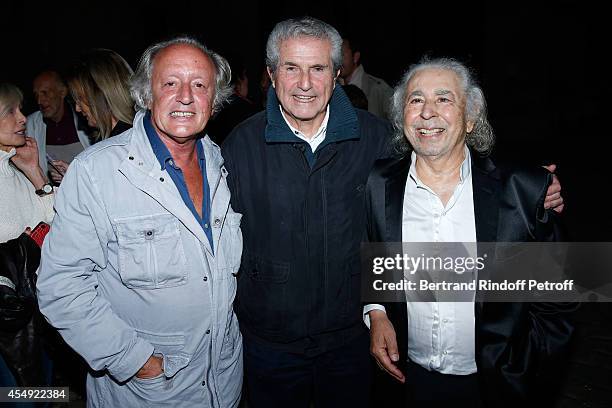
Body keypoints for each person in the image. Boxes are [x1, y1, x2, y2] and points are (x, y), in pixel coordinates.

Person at [36, 37, 243, 407]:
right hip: (148, 391)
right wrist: (135, 362)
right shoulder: (97, 172)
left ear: (215, 100)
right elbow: (61, 287)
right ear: (146, 94)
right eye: (170, 83)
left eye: (199, 84)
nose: (185, 96)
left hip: (223, 383)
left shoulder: (220, 162)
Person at [364, 57, 574, 408]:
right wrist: (378, 311)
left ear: (471, 117)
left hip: (496, 385)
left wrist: (530, 371)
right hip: (408, 380)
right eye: (416, 100)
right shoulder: (379, 184)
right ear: (402, 119)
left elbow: (558, 301)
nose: (428, 112)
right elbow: (375, 253)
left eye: (444, 99)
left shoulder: (522, 189)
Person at [0, 82, 55, 406]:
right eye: (11, 112)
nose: (23, 118)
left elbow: (55, 229)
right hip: (7, 323)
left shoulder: (16, 169)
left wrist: (36, 173)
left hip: (36, 314)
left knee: (44, 395)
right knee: (21, 400)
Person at [48, 49, 135, 184]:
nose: (77, 108)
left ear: (101, 95)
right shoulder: (134, 136)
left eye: (80, 99)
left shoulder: (118, 148)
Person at [26, 70, 90, 177]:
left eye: (45, 93)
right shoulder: (30, 124)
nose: (39, 101)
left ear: (63, 92)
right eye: (36, 95)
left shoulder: (85, 119)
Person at [340, 36, 393, 119]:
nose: (338, 61)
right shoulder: (334, 87)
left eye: (342, 55)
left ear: (355, 57)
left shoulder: (378, 89)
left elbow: (395, 124)